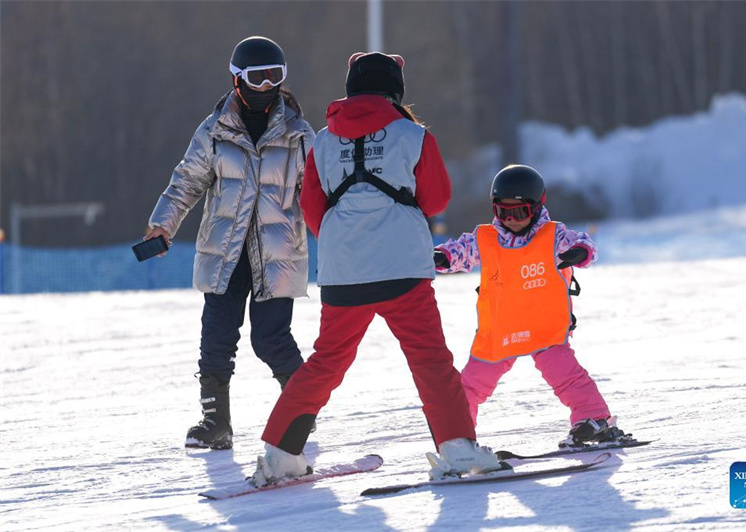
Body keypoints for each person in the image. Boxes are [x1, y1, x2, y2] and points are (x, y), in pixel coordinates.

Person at [248, 52, 502, 487]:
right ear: (394, 89)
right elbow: (437, 199)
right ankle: (457, 449)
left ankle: (280, 454)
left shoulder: (324, 141)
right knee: (429, 360)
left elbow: (312, 210)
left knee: (326, 362)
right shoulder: (414, 135)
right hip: (403, 266)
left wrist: (346, 238)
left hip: (343, 271)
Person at [144, 36, 315, 450]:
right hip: (225, 253)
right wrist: (162, 224)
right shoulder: (214, 131)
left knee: (272, 339)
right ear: (237, 80)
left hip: (277, 254)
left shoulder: (299, 135)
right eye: (257, 78)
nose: (267, 86)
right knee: (217, 338)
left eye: (276, 76)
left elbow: (319, 193)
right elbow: (187, 181)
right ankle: (215, 421)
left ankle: (301, 413)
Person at [434, 164, 630, 448]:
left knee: (565, 376)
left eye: (520, 212)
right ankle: (458, 437)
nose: (511, 219)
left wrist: (580, 252)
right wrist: (442, 257)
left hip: (544, 328)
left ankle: (593, 418)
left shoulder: (553, 236)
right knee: (470, 386)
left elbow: (584, 243)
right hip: (500, 329)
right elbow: (459, 250)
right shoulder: (484, 239)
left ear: (537, 207)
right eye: (503, 212)